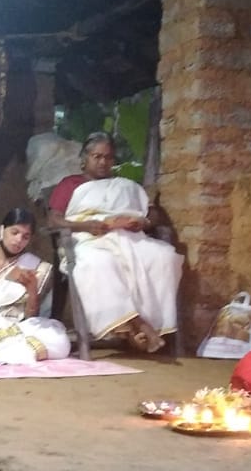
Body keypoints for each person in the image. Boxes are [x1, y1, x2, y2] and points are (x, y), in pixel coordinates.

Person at [47, 132, 182, 353]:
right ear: (84, 158)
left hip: (129, 238)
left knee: (164, 257)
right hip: (88, 239)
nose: (102, 162)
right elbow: (54, 219)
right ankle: (141, 327)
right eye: (96, 156)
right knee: (98, 263)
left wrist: (143, 222)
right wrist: (87, 226)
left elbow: (154, 215)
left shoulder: (124, 186)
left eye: (108, 157)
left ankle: (141, 329)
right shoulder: (71, 184)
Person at [0, 208, 71, 364]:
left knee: (60, 340)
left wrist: (32, 290)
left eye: (25, 237)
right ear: (2, 230)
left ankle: (6, 355)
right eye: (15, 233)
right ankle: (20, 354)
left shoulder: (33, 266)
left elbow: (29, 318)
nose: (19, 240)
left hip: (18, 328)